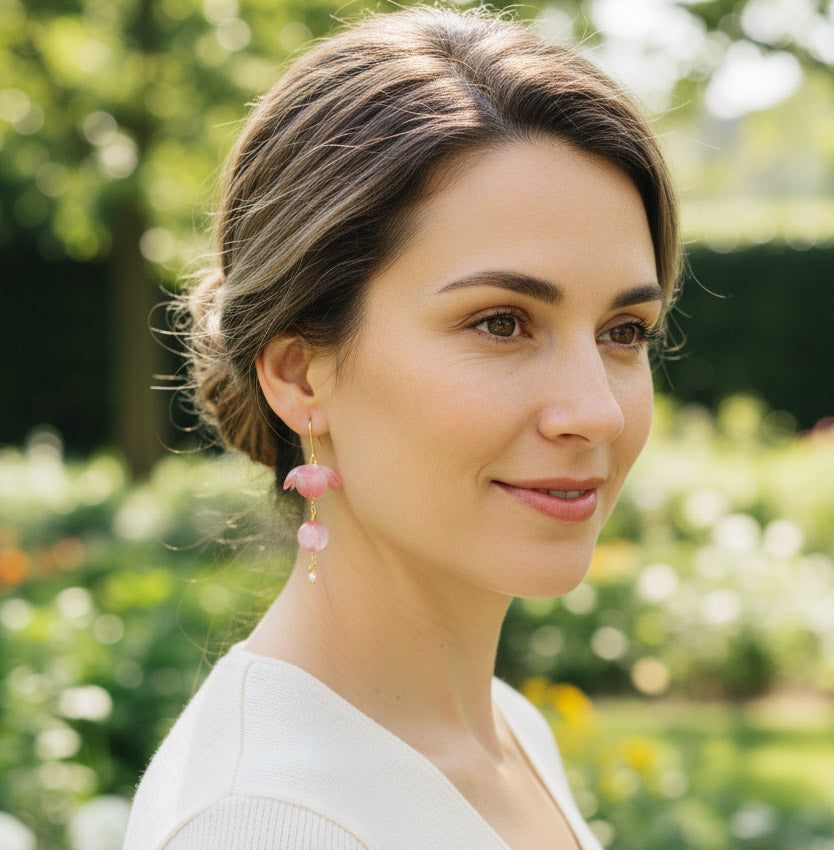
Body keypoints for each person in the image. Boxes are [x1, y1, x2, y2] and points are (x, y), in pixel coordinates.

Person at [122, 5, 680, 849]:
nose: (596, 409)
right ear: (300, 374)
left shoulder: (507, 730)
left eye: (623, 332)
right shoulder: (268, 824)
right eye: (501, 323)